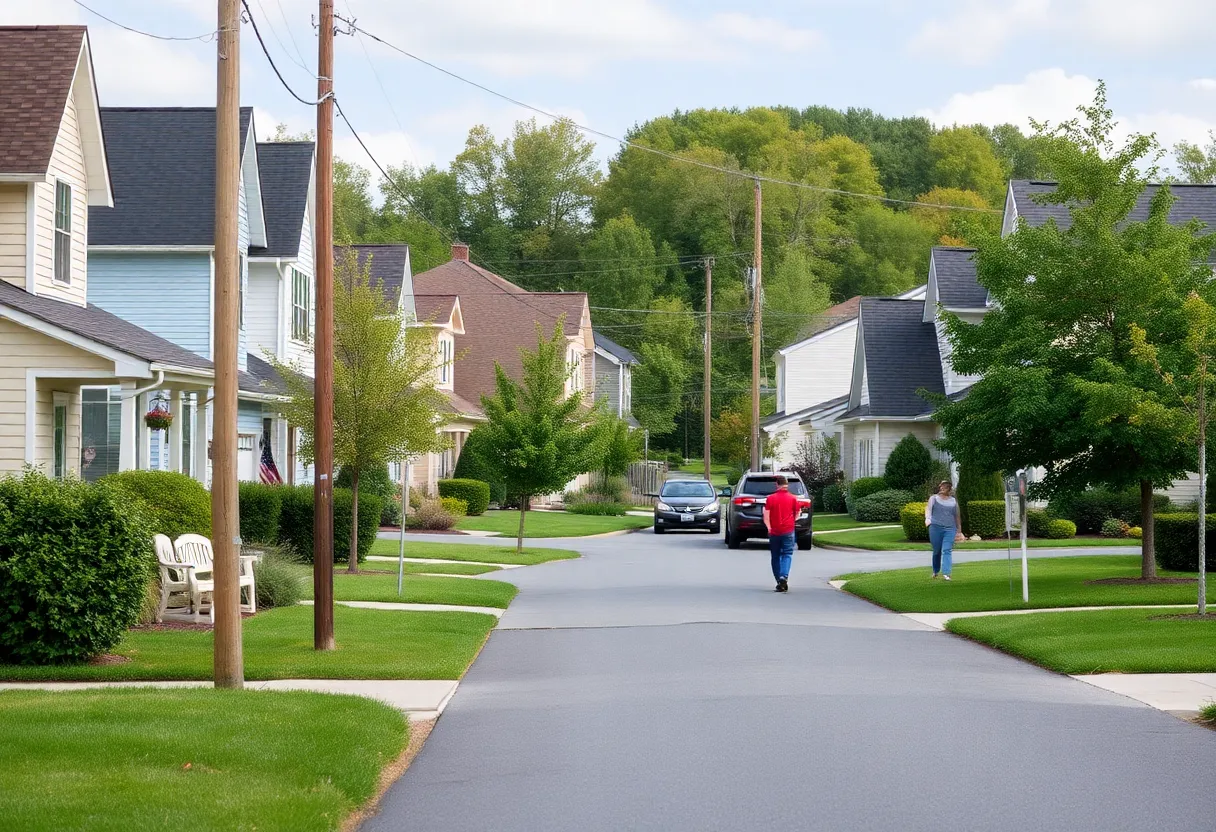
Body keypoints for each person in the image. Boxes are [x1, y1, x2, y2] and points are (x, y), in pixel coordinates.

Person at [763, 475, 799, 592]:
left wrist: (769, 527)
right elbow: (797, 513)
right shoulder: (793, 498)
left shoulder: (770, 498)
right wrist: (792, 521)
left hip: (774, 531)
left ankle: (779, 580)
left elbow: (766, 516)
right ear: (787, 484)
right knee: (787, 554)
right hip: (788, 530)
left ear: (776, 484)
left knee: (775, 556)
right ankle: (784, 576)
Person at [924, 480, 964, 580]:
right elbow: (928, 509)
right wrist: (928, 519)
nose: (941, 488)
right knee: (937, 550)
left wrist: (959, 530)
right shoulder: (933, 498)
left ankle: (947, 573)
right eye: (941, 486)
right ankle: (935, 571)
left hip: (950, 528)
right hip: (935, 527)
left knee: (947, 550)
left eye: (944, 487)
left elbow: (957, 516)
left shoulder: (953, 501)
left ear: (949, 489)